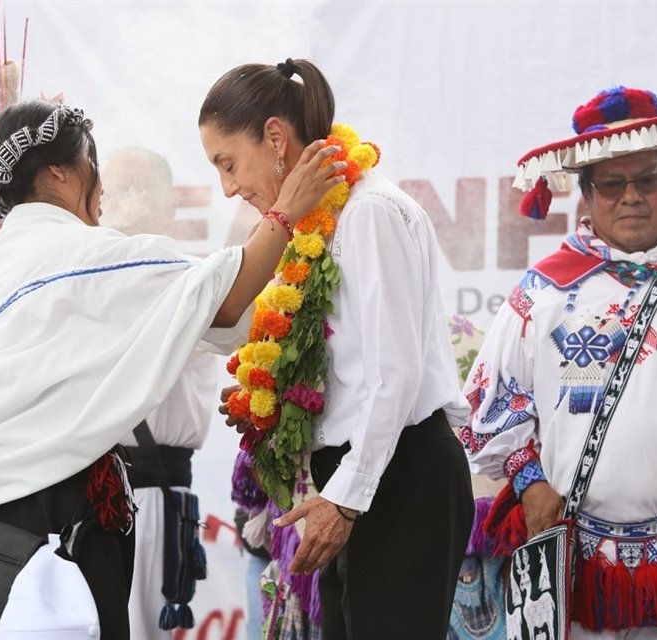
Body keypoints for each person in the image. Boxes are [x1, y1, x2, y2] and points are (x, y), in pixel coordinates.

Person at [0, 100, 344, 639]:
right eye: (95, 163)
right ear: (59, 172)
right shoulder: (79, 253)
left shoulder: (6, 257)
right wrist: (287, 211)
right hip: (41, 536)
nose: (107, 188)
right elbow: (227, 299)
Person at [201, 58, 475, 638]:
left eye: (228, 163)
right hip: (355, 475)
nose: (228, 187)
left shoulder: (369, 211)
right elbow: (345, 365)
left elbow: (392, 374)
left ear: (275, 137)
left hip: (398, 472)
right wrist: (272, 394)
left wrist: (346, 500)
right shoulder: (314, 225)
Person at [459, 86, 657, 638]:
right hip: (575, 565)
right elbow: (493, 408)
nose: (632, 197)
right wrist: (529, 483)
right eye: (613, 184)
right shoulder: (545, 290)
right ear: (587, 196)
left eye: (647, 180)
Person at [100, 150, 221, 638]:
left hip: (152, 494)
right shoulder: (92, 279)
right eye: (115, 191)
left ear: (168, 203)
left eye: (139, 189)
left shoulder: (189, 278)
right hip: (89, 494)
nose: (125, 203)